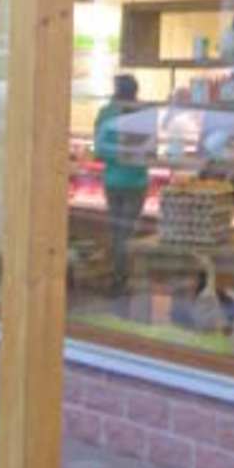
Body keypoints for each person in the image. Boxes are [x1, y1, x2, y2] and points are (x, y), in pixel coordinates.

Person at [94, 74, 150, 299]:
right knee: (126, 233)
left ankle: (119, 278)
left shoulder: (106, 113)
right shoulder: (142, 114)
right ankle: (121, 279)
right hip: (136, 181)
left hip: (112, 181)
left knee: (117, 232)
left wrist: (115, 155)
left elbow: (99, 150)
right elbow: (148, 152)